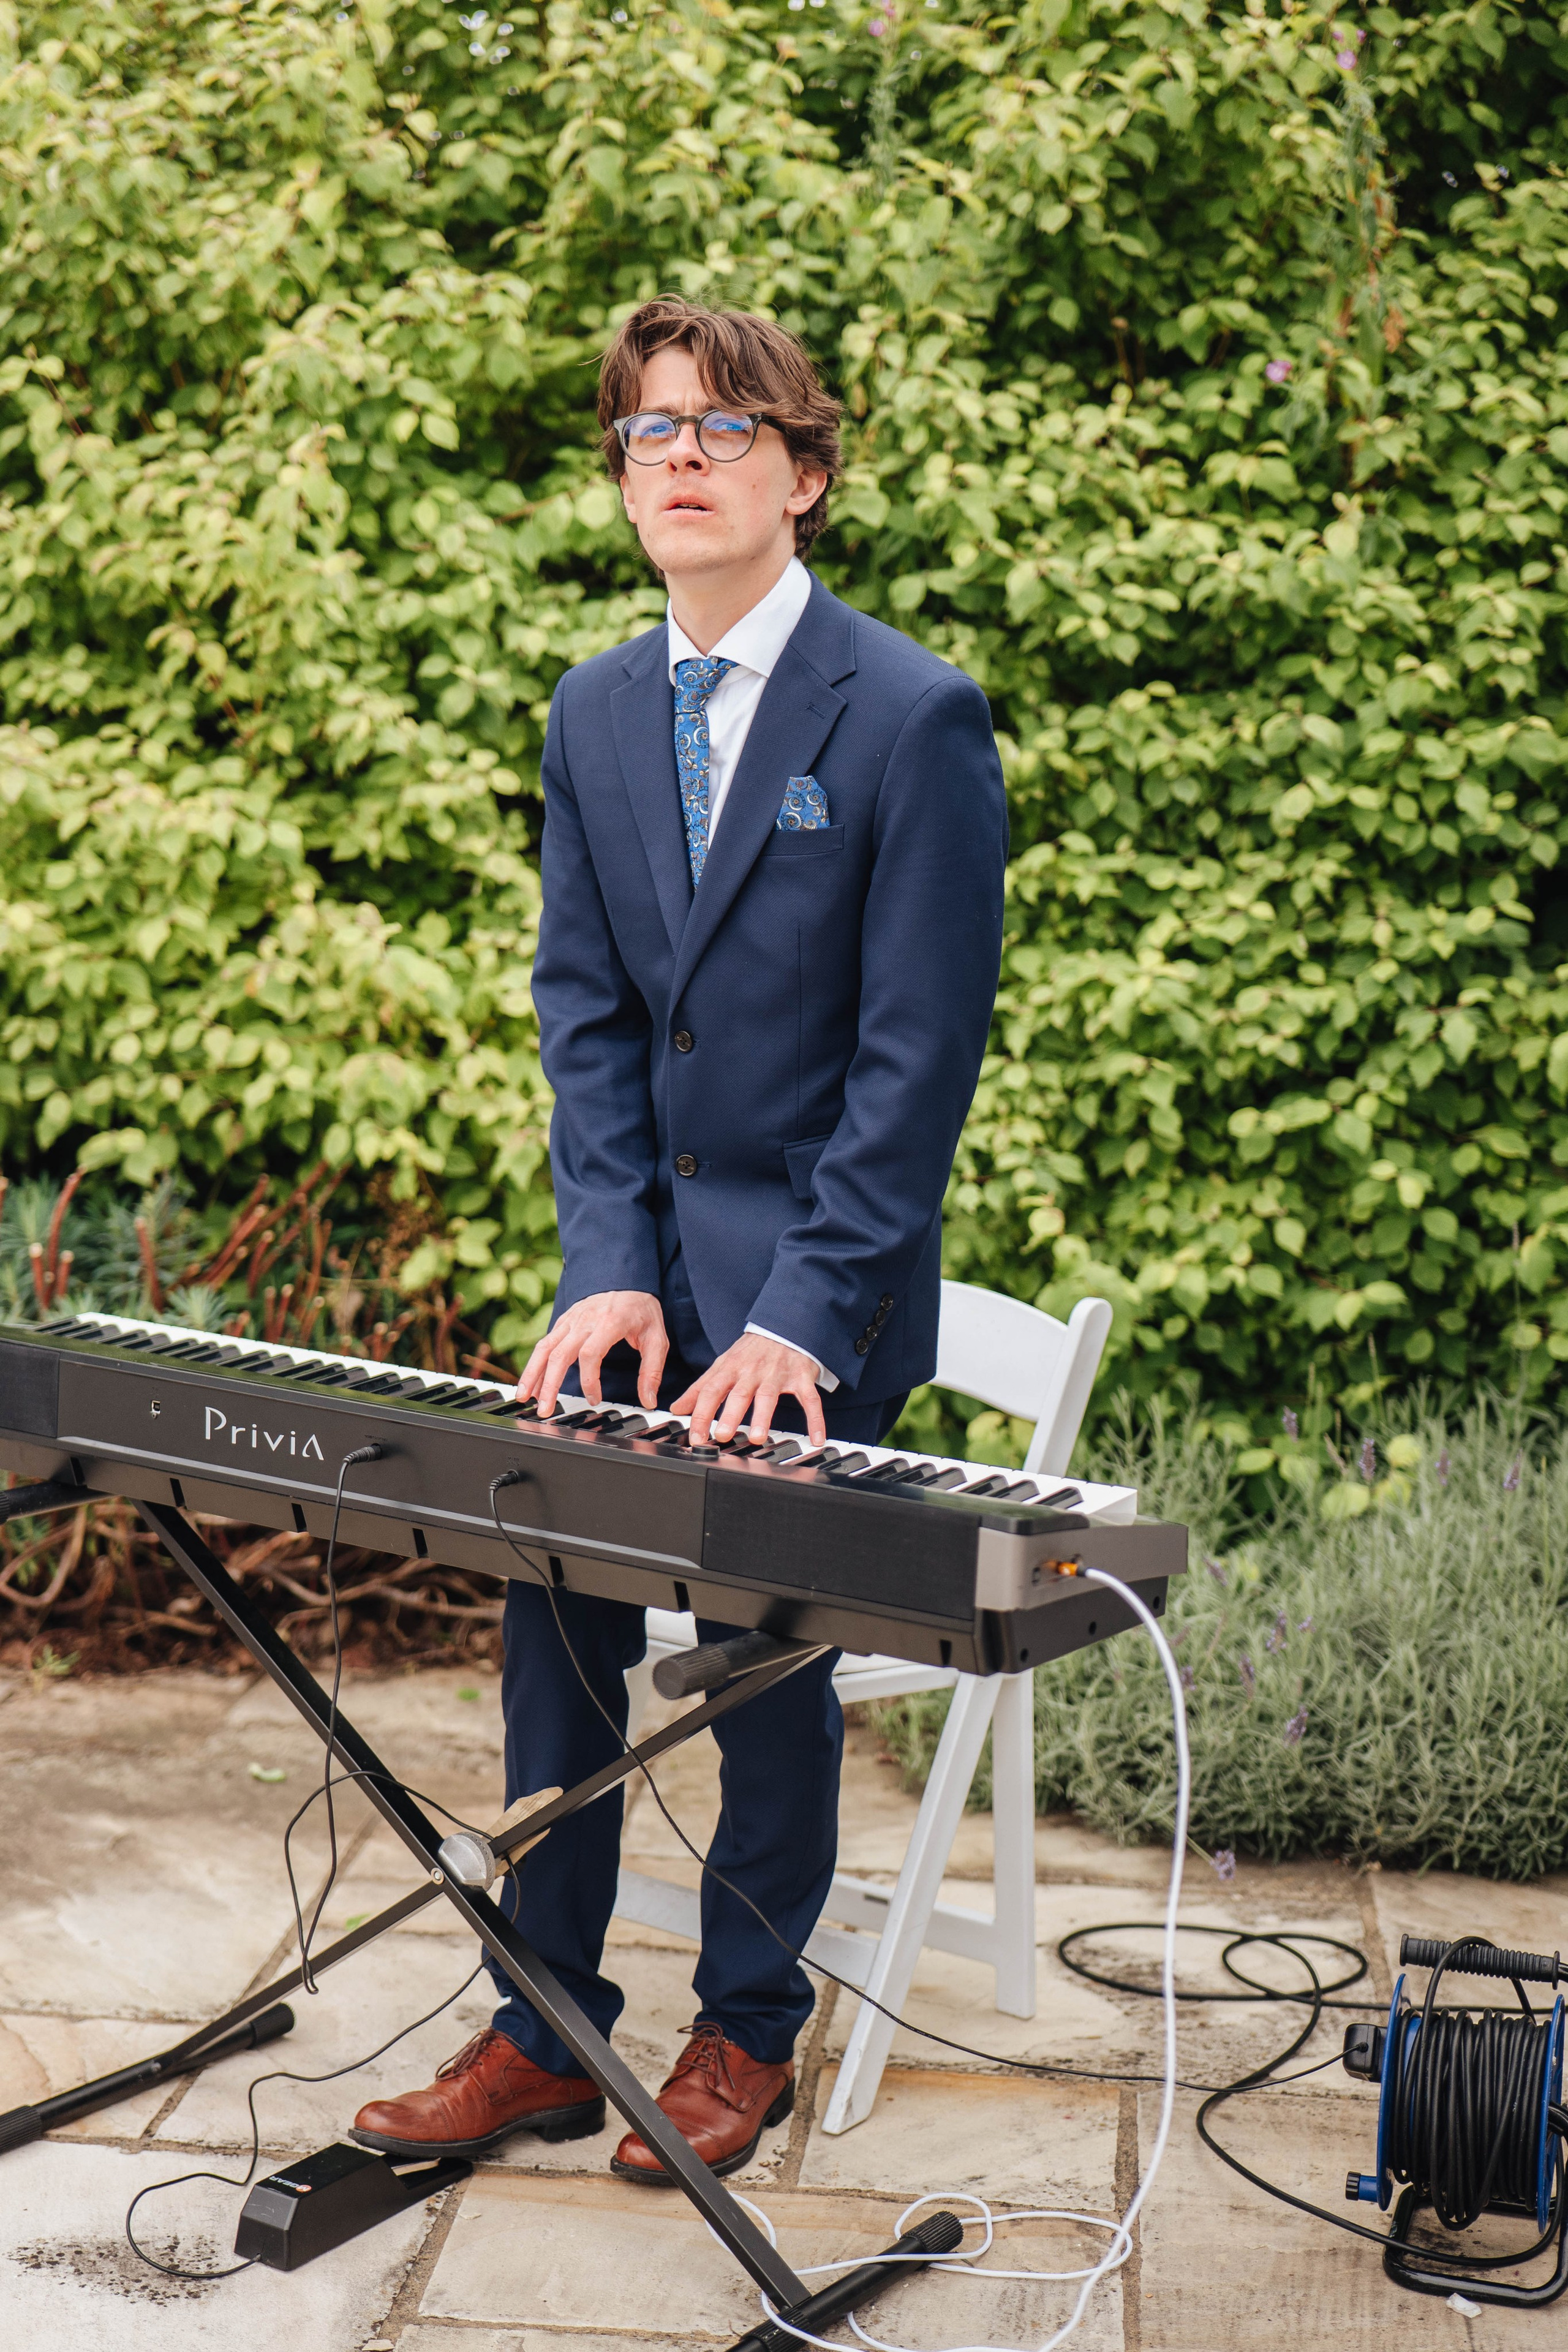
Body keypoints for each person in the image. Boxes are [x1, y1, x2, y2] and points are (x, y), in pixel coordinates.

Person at [352, 296, 1006, 2182]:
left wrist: (797, 1319)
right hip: (644, 1291)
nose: (685, 459)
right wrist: (607, 1266)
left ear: (803, 477)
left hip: (824, 1304)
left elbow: (914, 1066)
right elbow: (592, 1025)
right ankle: (545, 2024)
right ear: (624, 481)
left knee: (753, 1657)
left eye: (727, 430)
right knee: (545, 1615)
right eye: (652, 433)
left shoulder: (910, 715)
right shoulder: (589, 712)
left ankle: (747, 2027)